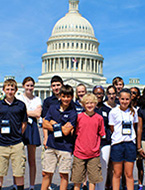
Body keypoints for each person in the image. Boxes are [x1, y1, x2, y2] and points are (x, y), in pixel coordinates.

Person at [41, 84, 77, 190]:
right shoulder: (53, 107)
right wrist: (61, 126)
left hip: (65, 147)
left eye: (68, 96)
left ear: (72, 97)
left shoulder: (73, 112)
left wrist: (53, 123)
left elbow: (66, 132)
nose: (66, 99)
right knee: (47, 173)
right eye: (64, 96)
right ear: (60, 96)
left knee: (64, 174)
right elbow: (44, 123)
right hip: (52, 145)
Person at [71, 93, 105, 190]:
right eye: (87, 103)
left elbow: (101, 133)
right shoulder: (79, 117)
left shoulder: (99, 118)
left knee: (93, 180)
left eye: (92, 103)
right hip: (79, 153)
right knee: (77, 180)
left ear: (95, 103)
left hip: (94, 154)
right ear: (83, 104)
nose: (89, 105)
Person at [0, 79, 27, 190]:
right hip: (2, 143)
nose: (10, 91)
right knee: (0, 172)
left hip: (17, 143)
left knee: (19, 171)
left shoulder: (21, 105)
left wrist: (18, 134)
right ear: (3, 90)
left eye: (12, 89)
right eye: (8, 89)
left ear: (16, 90)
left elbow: (24, 122)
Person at [109, 88, 138, 190]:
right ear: (118, 98)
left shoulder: (133, 111)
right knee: (117, 173)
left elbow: (134, 126)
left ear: (130, 99)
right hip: (117, 143)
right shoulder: (113, 112)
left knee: (129, 174)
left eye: (127, 99)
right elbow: (112, 128)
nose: (124, 101)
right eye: (122, 99)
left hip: (130, 143)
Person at [16, 76, 42, 190]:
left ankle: (32, 185)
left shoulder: (37, 99)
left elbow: (38, 114)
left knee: (32, 159)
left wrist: (25, 112)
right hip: (20, 127)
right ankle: (17, 185)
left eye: (31, 85)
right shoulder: (18, 97)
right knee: (18, 159)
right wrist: (31, 112)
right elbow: (18, 113)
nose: (30, 88)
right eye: (27, 85)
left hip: (32, 128)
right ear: (23, 86)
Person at [92, 86, 112, 190]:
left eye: (100, 93)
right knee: (92, 167)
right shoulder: (90, 109)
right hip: (92, 142)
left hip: (105, 141)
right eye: (96, 93)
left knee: (104, 166)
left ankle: (101, 188)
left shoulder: (108, 110)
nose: (98, 95)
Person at [103, 85, 118, 190]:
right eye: (110, 93)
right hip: (105, 140)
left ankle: (114, 186)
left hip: (117, 139)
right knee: (105, 165)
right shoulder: (101, 107)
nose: (112, 96)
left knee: (115, 166)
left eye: (114, 93)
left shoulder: (119, 107)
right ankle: (105, 185)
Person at [137, 91, 145, 190]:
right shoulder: (142, 109)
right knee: (140, 166)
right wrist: (139, 146)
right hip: (144, 139)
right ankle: (140, 184)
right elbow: (140, 128)